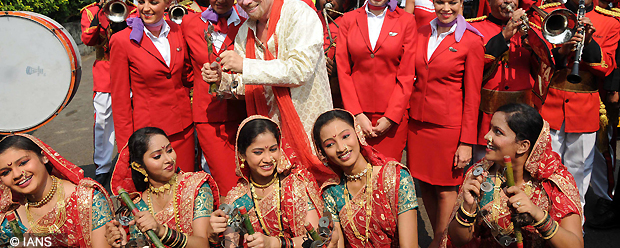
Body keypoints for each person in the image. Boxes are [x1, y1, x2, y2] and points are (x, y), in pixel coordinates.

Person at [203, 0, 332, 178]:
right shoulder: (245, 31)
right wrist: (222, 80)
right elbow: (247, 86)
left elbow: (299, 71)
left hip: (307, 131)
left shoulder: (298, 13)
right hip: (268, 144)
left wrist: (244, 65)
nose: (246, 1)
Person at [531, 0, 620, 210]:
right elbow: (536, 58)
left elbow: (608, 66)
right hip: (550, 104)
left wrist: (589, 41)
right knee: (545, 172)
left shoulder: (611, 21)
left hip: (585, 106)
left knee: (578, 174)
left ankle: (574, 229)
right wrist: (562, 51)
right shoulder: (548, 13)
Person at [408, 0, 485, 248]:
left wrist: (466, 142)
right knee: (424, 186)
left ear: (462, 2)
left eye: (452, 2)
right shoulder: (420, 32)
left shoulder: (472, 41)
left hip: (448, 129)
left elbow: (472, 96)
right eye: (440, 2)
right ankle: (437, 238)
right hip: (417, 125)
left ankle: (441, 242)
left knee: (446, 190)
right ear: (432, 1)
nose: (446, 8)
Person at [442, 103, 583, 248]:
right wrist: (467, 209)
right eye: (490, 129)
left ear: (523, 146)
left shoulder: (553, 183)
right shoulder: (480, 175)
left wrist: (538, 216)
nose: (486, 136)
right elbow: (458, 241)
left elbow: (576, 245)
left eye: (497, 132)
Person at [336, 0, 417, 160]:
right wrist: (356, 114)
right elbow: (343, 71)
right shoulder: (348, 20)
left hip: (392, 120)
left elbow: (407, 74)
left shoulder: (407, 22)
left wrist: (391, 117)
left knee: (388, 183)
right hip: (355, 117)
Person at [110, 0, 195, 172]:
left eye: (153, 2)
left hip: (184, 130)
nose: (145, 8)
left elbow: (186, 77)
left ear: (167, 2)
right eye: (141, 1)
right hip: (149, 136)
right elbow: (120, 100)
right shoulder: (122, 41)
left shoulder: (177, 31)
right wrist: (126, 148)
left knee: (189, 189)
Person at [210, 116, 324, 248]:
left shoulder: (296, 184)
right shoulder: (238, 199)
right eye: (258, 152)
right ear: (242, 154)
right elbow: (230, 245)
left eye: (273, 149)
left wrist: (275, 243)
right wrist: (213, 234)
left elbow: (317, 239)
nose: (268, 159)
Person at [181, 0, 247, 194]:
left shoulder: (247, 23)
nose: (220, 0)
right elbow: (187, 69)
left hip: (242, 111)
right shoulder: (190, 24)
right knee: (225, 179)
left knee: (247, 175)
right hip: (208, 115)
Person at [312, 109, 419, 248]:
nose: (341, 148)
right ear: (322, 153)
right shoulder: (332, 192)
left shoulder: (395, 177)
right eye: (330, 144)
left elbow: (409, 245)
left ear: (358, 134)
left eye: (345, 136)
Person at [106, 127, 219, 248]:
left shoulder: (196, 186)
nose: (169, 159)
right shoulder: (138, 206)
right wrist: (122, 244)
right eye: (157, 157)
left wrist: (161, 231)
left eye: (169, 150)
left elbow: (202, 244)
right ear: (139, 167)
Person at [466, 0, 533, 161]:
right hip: (486, 116)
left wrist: (532, 39)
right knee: (483, 166)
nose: (508, 0)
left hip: (522, 113)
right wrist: (503, 36)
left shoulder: (532, 28)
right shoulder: (474, 29)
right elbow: (476, 66)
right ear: (489, 0)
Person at [0, 134, 113, 248]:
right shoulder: (9, 221)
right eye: (5, 172)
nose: (17, 174)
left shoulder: (87, 201)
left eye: (23, 163)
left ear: (43, 157)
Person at [80, 0, 136, 186]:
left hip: (131, 72)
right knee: (103, 122)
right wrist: (103, 14)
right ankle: (102, 169)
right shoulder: (91, 11)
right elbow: (88, 39)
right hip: (105, 72)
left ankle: (134, 161)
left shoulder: (133, 9)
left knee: (133, 117)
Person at [588, 0, 620, 228]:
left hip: (605, 91)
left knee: (603, 147)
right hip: (588, 91)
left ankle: (606, 200)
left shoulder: (612, 19)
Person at [317, 0, 351, 108]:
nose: (328, 0)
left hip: (338, 94)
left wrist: (338, 70)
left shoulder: (351, 23)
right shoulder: (309, 18)